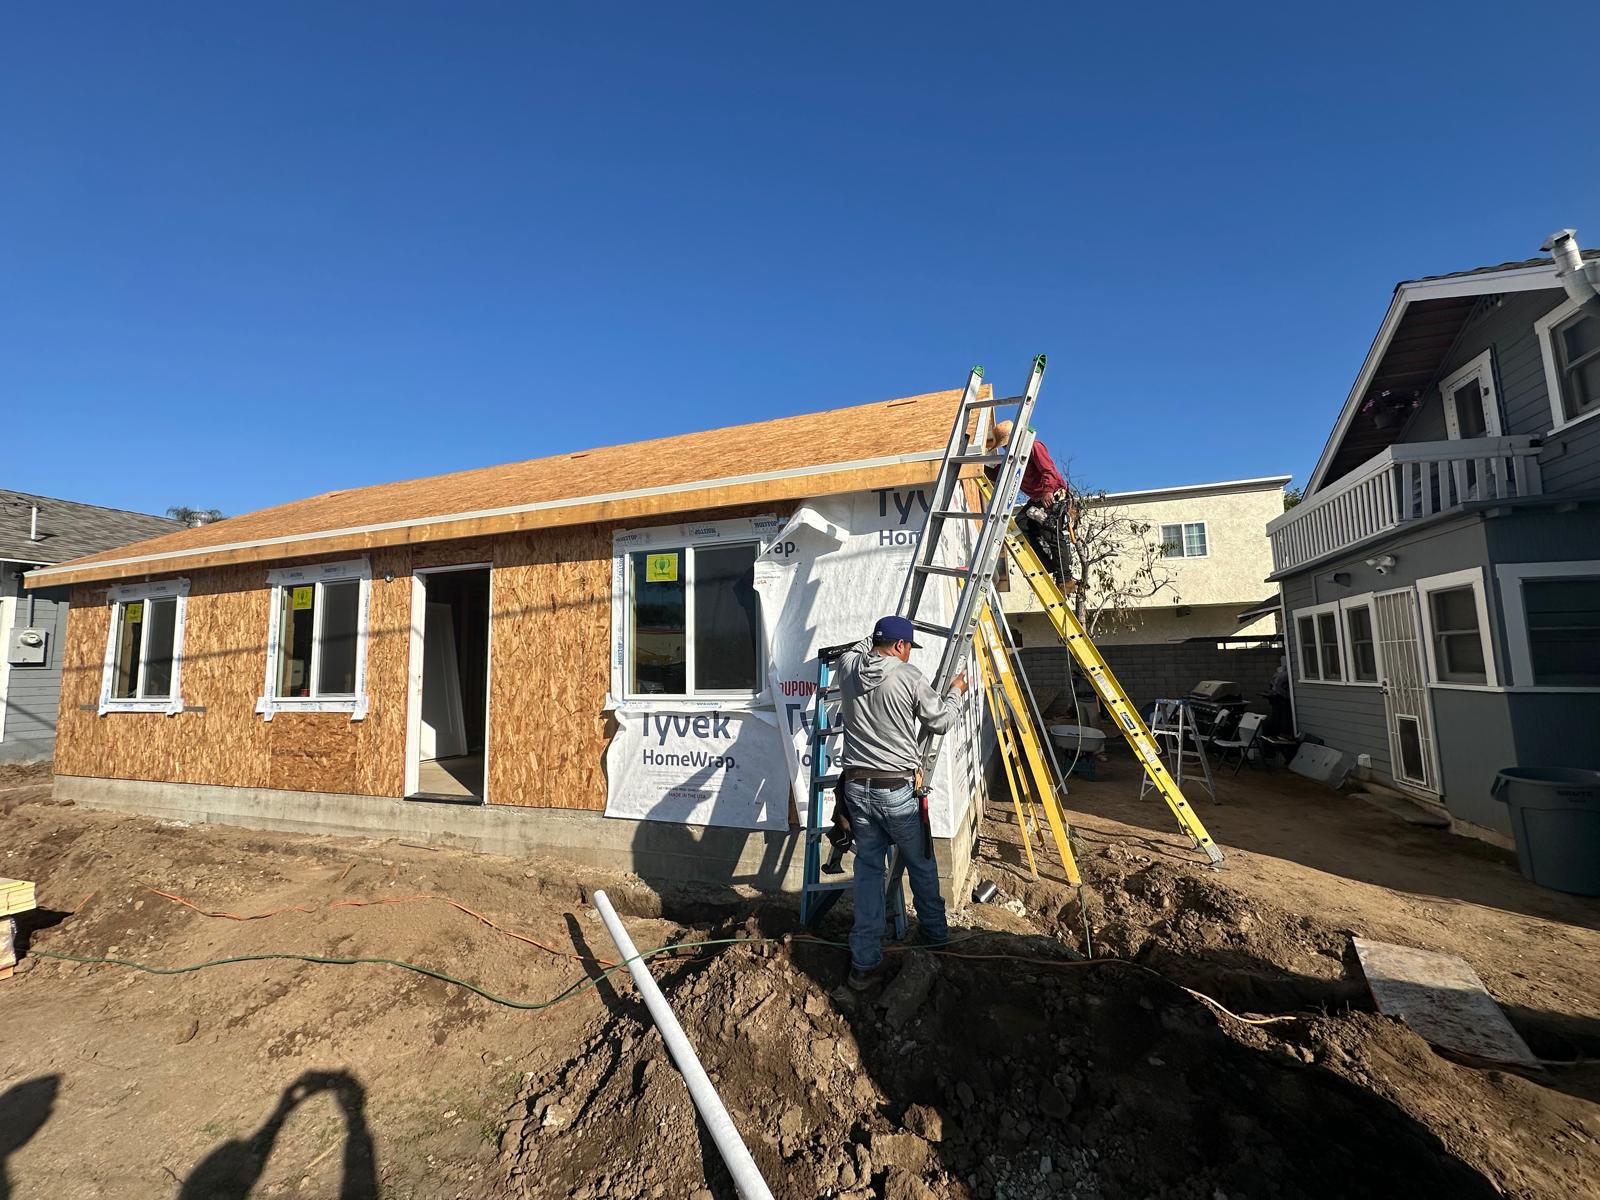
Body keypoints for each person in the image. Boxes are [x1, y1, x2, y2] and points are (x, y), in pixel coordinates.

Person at [835, 614, 968, 989]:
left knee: (868, 872)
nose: (909, 654)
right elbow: (940, 721)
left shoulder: (847, 667)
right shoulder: (908, 677)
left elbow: (860, 647)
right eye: (907, 647)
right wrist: (957, 691)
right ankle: (935, 939)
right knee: (921, 864)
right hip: (896, 791)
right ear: (899, 646)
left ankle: (864, 962)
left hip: (856, 790)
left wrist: (875, 638)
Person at [985, 419, 1075, 586]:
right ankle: (1047, 565)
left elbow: (1049, 470)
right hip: (1037, 500)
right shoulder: (1012, 460)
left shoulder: (1034, 446)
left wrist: (1047, 490)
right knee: (1021, 524)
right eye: (1004, 446)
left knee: (1051, 532)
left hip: (1053, 495)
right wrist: (976, 466)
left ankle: (1065, 579)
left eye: (1007, 444)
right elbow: (998, 474)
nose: (1006, 447)